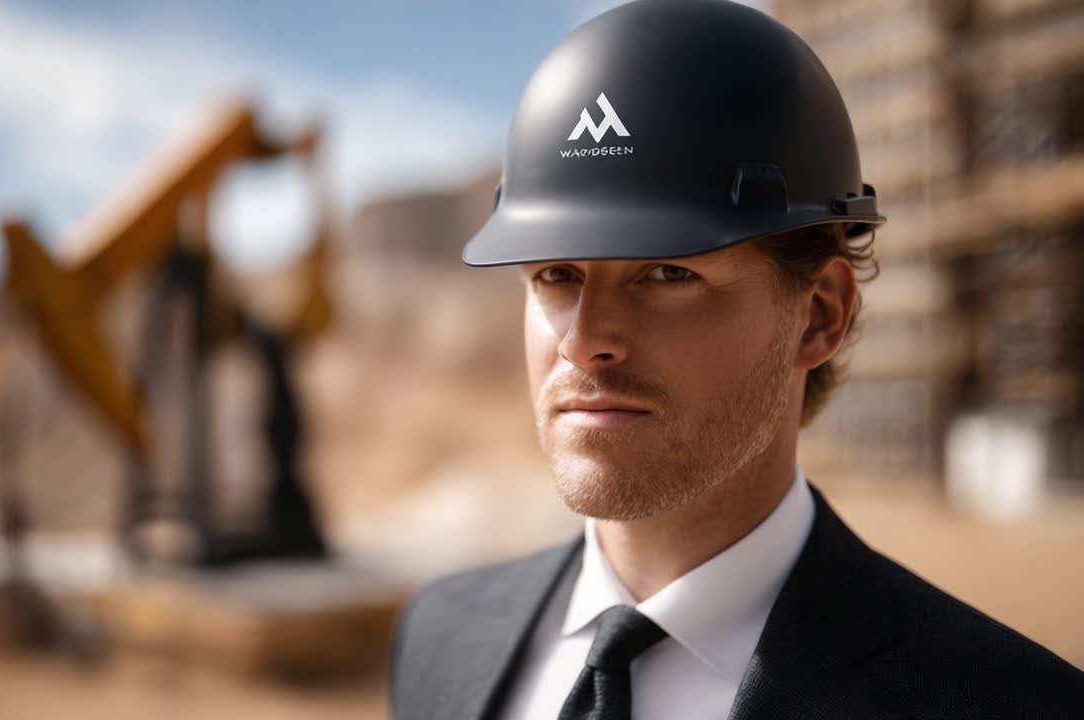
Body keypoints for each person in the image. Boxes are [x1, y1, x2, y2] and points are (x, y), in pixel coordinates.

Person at [386, 0, 1084, 718]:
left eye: (668, 274)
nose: (585, 337)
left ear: (819, 315)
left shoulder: (1010, 703)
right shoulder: (440, 637)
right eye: (556, 275)